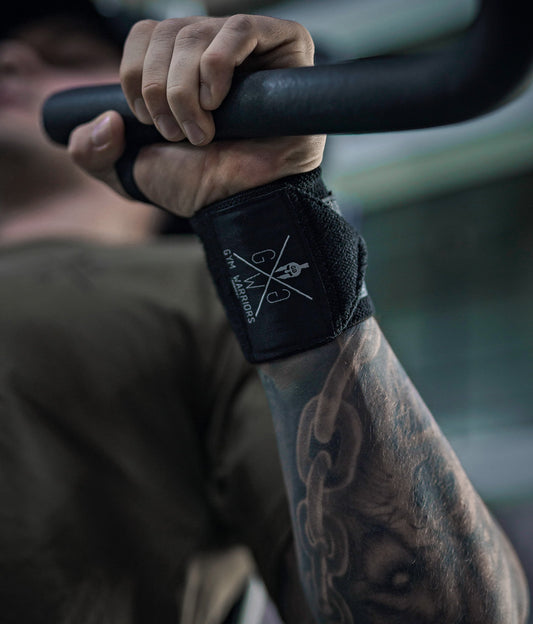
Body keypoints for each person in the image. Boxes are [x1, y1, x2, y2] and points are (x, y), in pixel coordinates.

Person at [0, 6, 529, 624]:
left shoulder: (215, 297)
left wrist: (265, 212)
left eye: (65, 55)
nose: (9, 59)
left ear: (162, 108)